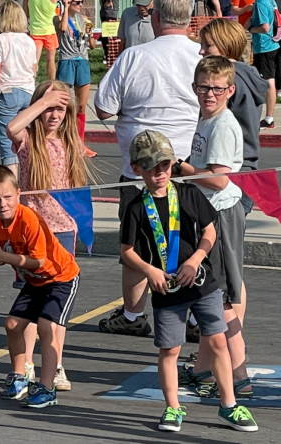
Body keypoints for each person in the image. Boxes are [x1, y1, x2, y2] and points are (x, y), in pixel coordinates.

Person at [121, 129, 258, 433]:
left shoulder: (189, 193)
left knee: (218, 340)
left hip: (202, 282)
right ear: (136, 168)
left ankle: (229, 405)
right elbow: (126, 250)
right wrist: (150, 271)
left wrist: (196, 259)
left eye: (165, 165)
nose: (160, 172)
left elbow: (210, 231)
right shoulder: (136, 207)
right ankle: (172, 407)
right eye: (151, 167)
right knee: (170, 350)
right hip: (166, 287)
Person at [94, 0, 201, 336]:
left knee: (136, 243)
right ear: (190, 21)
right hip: (189, 164)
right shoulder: (201, 56)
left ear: (155, 18)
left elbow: (103, 107)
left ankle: (132, 314)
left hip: (140, 169)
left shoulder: (134, 56)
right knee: (189, 240)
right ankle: (195, 316)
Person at [6, 80, 91, 391]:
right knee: (30, 302)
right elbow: (11, 128)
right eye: (48, 108)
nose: (54, 114)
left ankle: (55, 365)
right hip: (31, 233)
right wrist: (42, 102)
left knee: (57, 303)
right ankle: (27, 363)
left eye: (60, 109)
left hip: (63, 231)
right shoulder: (28, 141)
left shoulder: (71, 143)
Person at [177, 56, 253, 400]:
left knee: (220, 299)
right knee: (213, 295)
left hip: (221, 213)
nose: (209, 94)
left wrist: (181, 169)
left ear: (230, 91)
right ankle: (204, 369)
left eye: (217, 89)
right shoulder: (207, 118)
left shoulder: (222, 124)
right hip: (210, 211)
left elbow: (220, 179)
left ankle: (238, 375)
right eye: (203, 87)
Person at [0, 165, 80, 408]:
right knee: (13, 324)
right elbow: (8, 254)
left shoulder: (29, 220)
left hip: (61, 278)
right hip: (36, 281)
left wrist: (3, 257)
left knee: (46, 327)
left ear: (18, 193)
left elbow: (38, 261)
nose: (2, 204)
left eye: (7, 197)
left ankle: (47, 387)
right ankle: (19, 376)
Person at [196, 19, 268, 341]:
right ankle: (221, 345)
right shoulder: (246, 76)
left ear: (225, 46)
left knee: (227, 275)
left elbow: (231, 141)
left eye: (207, 45)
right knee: (228, 272)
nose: (201, 51)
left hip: (232, 180)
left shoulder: (230, 83)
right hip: (239, 174)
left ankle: (230, 345)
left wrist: (190, 170)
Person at [0, 0, 37, 177]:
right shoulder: (29, 41)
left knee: (8, 149)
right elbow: (34, 70)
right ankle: (29, 181)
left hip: (6, 93)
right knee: (26, 143)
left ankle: (12, 184)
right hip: (28, 92)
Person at [54, 0, 97, 157]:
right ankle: (62, 142)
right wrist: (65, 8)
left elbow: (92, 45)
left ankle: (80, 144)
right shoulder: (58, 18)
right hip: (67, 61)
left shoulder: (83, 19)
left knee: (81, 106)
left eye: (81, 2)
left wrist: (90, 35)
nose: (80, 5)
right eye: (77, 2)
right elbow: (63, 28)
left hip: (82, 61)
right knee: (63, 104)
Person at [244, 0, 279, 129]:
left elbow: (265, 28)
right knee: (265, 80)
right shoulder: (271, 1)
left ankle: (269, 119)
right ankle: (267, 117)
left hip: (264, 47)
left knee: (268, 82)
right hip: (272, 44)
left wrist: (249, 28)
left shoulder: (261, 3)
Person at [24, 0, 59, 80]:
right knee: (51, 60)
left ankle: (30, 82)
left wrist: (27, 18)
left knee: (34, 61)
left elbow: (25, 6)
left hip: (35, 31)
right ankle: (52, 82)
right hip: (50, 31)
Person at [99, 0, 118, 65]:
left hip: (108, 10)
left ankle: (109, 55)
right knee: (107, 34)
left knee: (108, 34)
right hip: (107, 10)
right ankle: (108, 55)